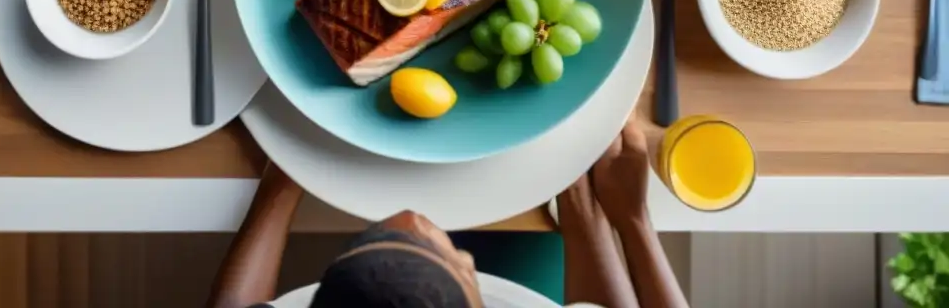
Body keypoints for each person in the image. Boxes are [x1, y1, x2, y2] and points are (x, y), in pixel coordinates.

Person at [206, 121, 689, 307]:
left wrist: (283, 176)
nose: (419, 216)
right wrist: (621, 219)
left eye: (367, 238)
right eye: (458, 257)